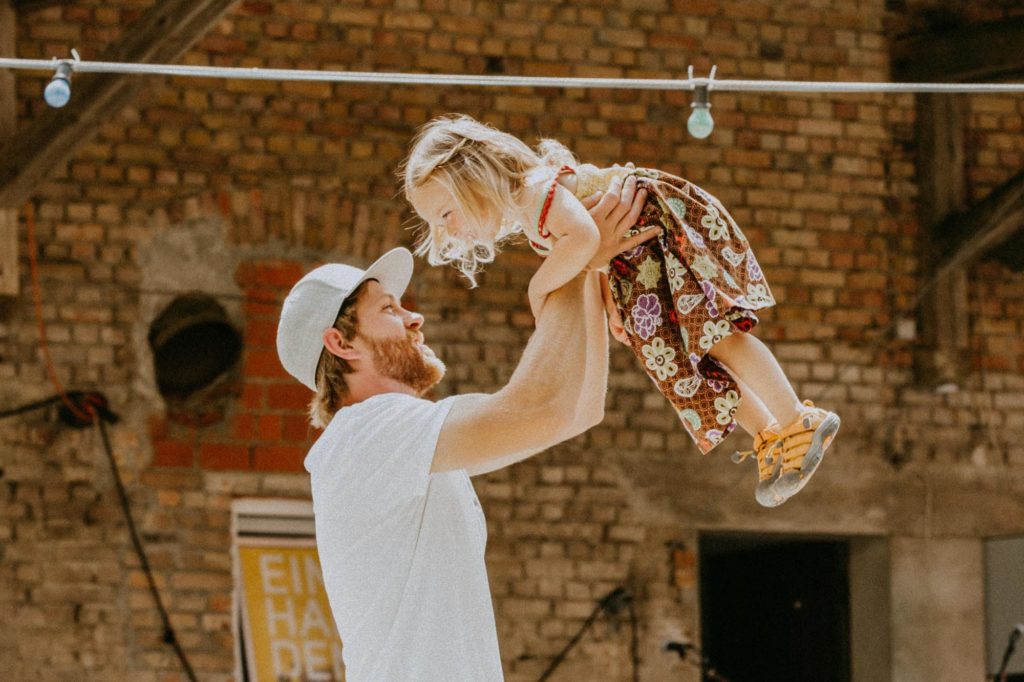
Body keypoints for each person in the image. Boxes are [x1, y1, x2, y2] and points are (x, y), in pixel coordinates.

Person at [275, 179, 653, 680]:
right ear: (342, 344)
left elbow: (577, 411)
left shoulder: (395, 441)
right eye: (389, 309)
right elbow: (538, 406)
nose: (415, 317)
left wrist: (588, 266)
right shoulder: (366, 435)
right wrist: (572, 254)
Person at [402, 114, 840, 507]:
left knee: (716, 335)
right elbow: (595, 258)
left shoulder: (536, 191)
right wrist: (616, 306)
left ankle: (797, 419)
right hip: (637, 266)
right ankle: (770, 436)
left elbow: (585, 239)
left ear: (470, 178)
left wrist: (539, 287)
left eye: (445, 213)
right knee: (681, 365)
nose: (447, 228)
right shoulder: (527, 211)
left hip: (661, 234)